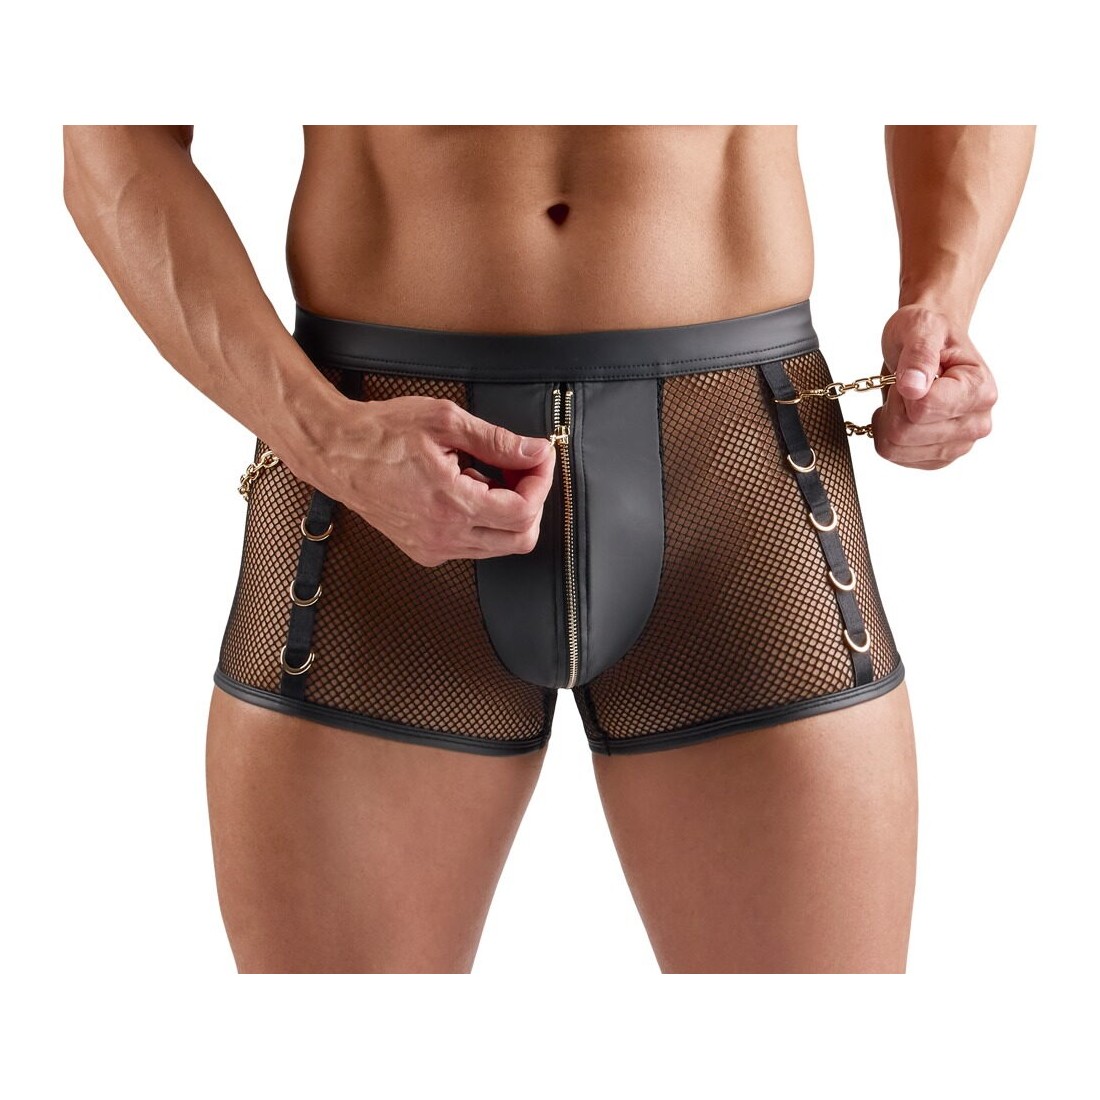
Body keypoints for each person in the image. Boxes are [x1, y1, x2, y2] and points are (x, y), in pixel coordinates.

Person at [62, 124, 1035, 974]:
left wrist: (941, 299)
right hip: (370, 475)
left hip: (734, 474)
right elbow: (107, 131)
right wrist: (323, 437)